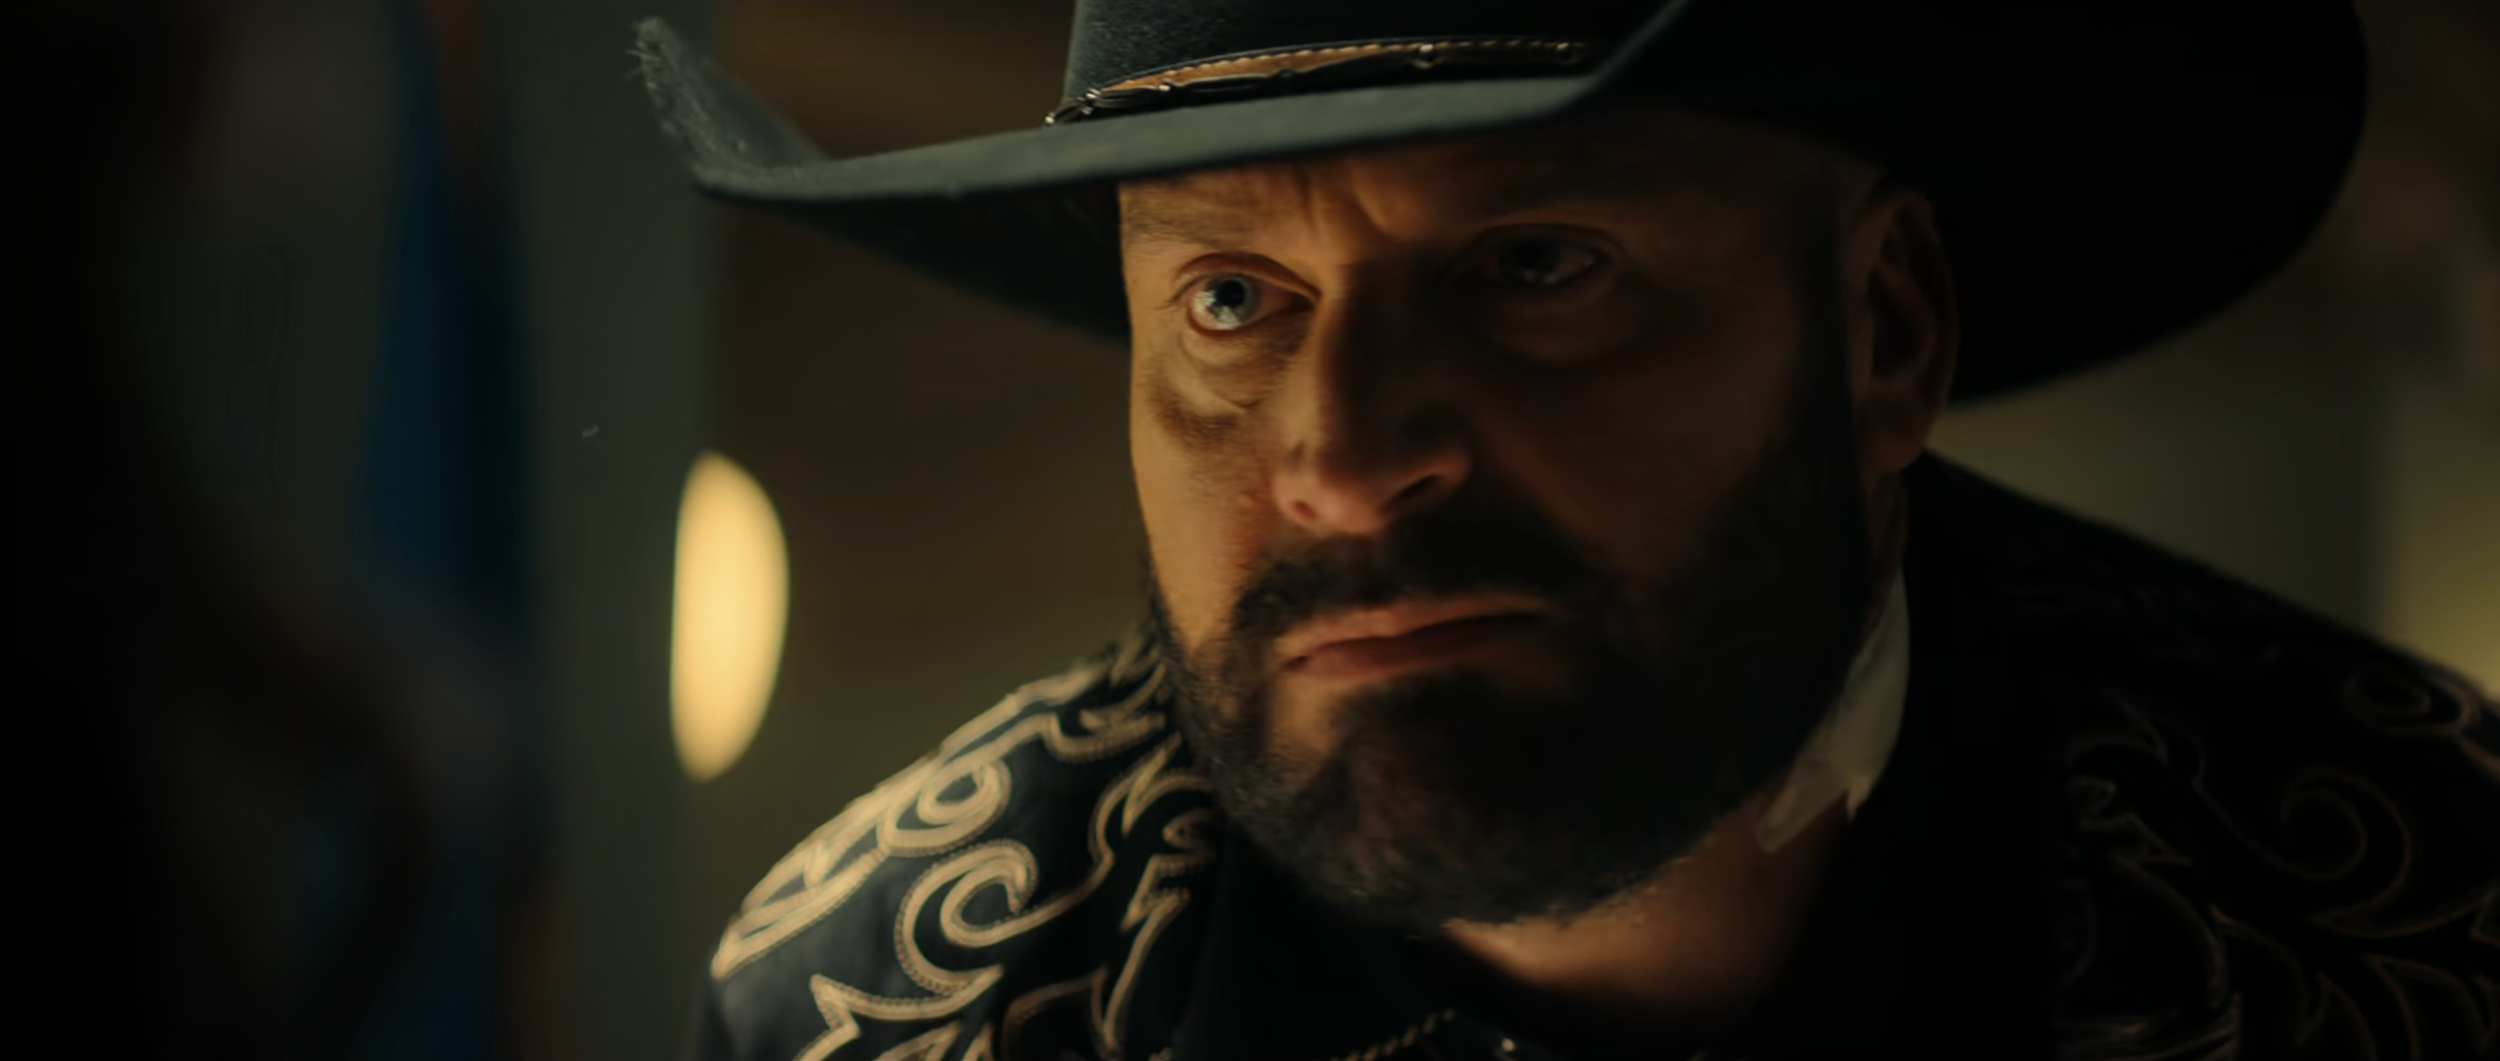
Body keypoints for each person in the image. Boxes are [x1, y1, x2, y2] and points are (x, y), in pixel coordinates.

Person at [640, 1, 2499, 1057]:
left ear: (1884, 336)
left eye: (1535, 266)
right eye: (1227, 302)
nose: (1348, 460)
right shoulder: (883, 1012)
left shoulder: (2423, 913)